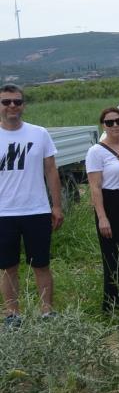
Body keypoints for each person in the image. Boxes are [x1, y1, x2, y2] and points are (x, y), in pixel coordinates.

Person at [1, 84, 62, 327]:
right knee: (7, 267)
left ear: (23, 105)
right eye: (6, 102)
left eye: (17, 101)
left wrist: (56, 205)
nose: (12, 106)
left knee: (41, 264)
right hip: (4, 213)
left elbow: (51, 170)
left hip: (36, 210)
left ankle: (47, 311)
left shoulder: (39, 133)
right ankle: (13, 314)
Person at [86, 107, 119, 312]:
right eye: (110, 123)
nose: (115, 125)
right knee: (112, 254)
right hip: (110, 201)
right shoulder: (96, 152)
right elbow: (95, 187)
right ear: (103, 126)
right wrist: (102, 217)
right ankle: (112, 304)